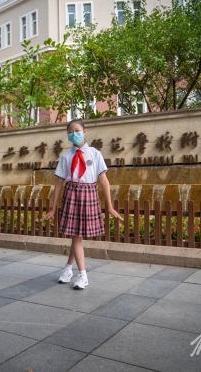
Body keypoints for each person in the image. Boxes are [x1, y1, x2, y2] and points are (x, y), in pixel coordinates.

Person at [45, 119, 122, 290]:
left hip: (88, 194)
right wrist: (53, 207)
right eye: (70, 132)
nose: (74, 134)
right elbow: (58, 183)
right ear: (68, 136)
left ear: (85, 132)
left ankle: (71, 271)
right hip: (71, 194)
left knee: (76, 236)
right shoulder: (66, 156)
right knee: (76, 236)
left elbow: (104, 181)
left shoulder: (95, 154)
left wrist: (109, 206)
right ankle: (79, 273)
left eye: (77, 130)